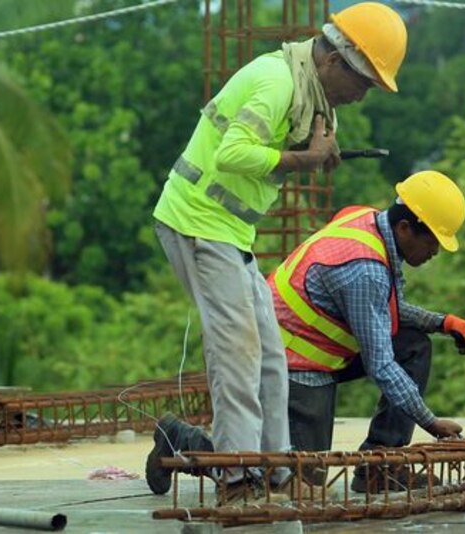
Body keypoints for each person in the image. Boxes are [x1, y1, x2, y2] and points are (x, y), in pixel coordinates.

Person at [145, 2, 409, 503]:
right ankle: (238, 479)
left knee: (270, 357)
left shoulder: (309, 92)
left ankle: (276, 472)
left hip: (230, 233)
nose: (362, 96)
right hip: (198, 226)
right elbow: (232, 153)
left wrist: (311, 154)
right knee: (237, 357)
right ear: (334, 63)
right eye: (364, 82)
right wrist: (302, 158)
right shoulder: (277, 81)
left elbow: (276, 151)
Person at [267, 170, 465, 493]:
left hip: (316, 350)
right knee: (303, 481)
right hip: (291, 364)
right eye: (432, 242)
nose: (435, 252)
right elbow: (380, 365)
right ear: (405, 228)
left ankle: (380, 468)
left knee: (413, 345)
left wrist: (444, 322)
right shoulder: (364, 270)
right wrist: (430, 422)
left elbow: (384, 307)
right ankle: (186, 444)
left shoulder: (371, 222)